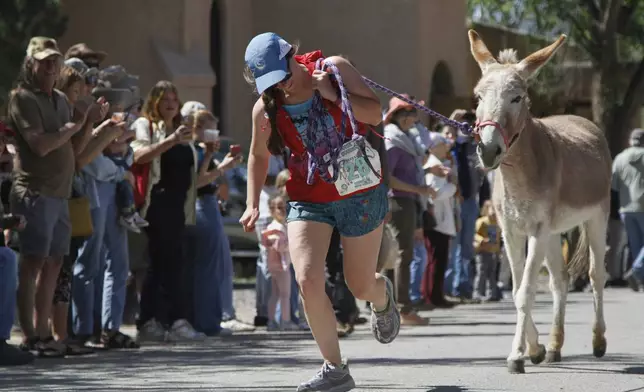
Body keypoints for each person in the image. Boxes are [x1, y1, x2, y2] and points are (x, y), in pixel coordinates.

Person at [241, 33, 398, 392]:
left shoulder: (335, 70)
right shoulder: (266, 109)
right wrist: (251, 202)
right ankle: (335, 368)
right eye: (271, 83)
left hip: (358, 191)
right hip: (308, 198)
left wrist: (328, 93)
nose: (281, 86)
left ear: (292, 56)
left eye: (283, 75)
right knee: (307, 280)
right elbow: (258, 155)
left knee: (359, 284)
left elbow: (375, 114)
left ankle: (382, 296)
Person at [8, 37, 105, 358]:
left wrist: (90, 124)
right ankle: (30, 336)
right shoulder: (22, 98)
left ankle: (47, 334)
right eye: (44, 60)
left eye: (55, 59)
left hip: (61, 195)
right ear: (30, 63)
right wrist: (73, 126)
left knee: (54, 265)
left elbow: (73, 152)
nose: (51, 65)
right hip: (35, 192)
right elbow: (40, 145)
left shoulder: (61, 99)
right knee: (31, 264)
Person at [132, 81, 204, 342]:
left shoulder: (181, 129)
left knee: (173, 262)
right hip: (157, 204)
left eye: (174, 98)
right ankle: (158, 321)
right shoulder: (146, 126)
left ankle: (167, 320)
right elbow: (139, 156)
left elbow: (189, 174)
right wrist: (171, 141)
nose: (171, 103)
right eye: (165, 99)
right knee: (160, 262)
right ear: (154, 102)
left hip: (178, 205)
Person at [383, 96, 436, 325]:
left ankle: (390, 307)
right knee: (401, 255)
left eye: (412, 112)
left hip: (408, 200)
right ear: (395, 115)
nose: (410, 117)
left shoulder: (406, 140)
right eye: (405, 112)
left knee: (399, 254)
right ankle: (402, 309)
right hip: (399, 202)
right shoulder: (393, 141)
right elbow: (388, 179)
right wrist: (417, 188)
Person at [612, 128, 644, 291]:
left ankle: (640, 280)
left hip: (625, 208)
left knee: (637, 245)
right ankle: (636, 271)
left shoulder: (619, 158)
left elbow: (614, 186)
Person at [262, 194, 299, 331]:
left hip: (274, 265)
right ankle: (285, 320)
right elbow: (278, 245)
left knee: (276, 294)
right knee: (285, 294)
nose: (282, 210)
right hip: (281, 266)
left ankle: (271, 321)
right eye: (279, 208)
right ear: (271, 210)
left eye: (284, 207)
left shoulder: (274, 227)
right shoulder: (277, 228)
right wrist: (290, 244)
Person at [473, 200, 502, 302]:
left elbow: (498, 239)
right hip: (482, 251)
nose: (494, 212)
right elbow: (475, 234)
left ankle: (492, 293)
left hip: (493, 252)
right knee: (481, 272)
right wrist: (482, 240)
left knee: (492, 273)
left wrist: (498, 251)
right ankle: (478, 293)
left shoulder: (498, 224)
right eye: (492, 209)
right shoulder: (482, 222)